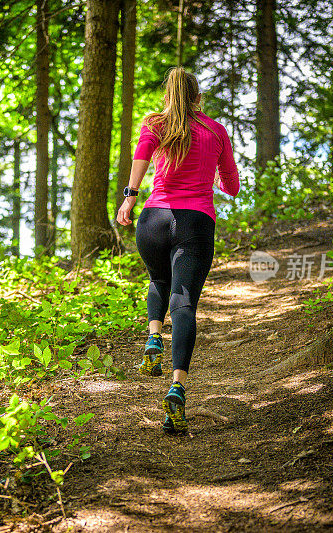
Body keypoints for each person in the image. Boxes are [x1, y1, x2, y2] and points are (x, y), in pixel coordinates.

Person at [116, 67, 240, 435]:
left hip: (153, 219)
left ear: (168, 96)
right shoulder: (216, 130)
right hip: (194, 222)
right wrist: (217, 176)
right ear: (198, 97)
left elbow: (141, 156)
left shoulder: (156, 123)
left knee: (158, 278)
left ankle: (153, 336)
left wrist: (130, 198)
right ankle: (177, 387)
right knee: (183, 303)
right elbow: (231, 187)